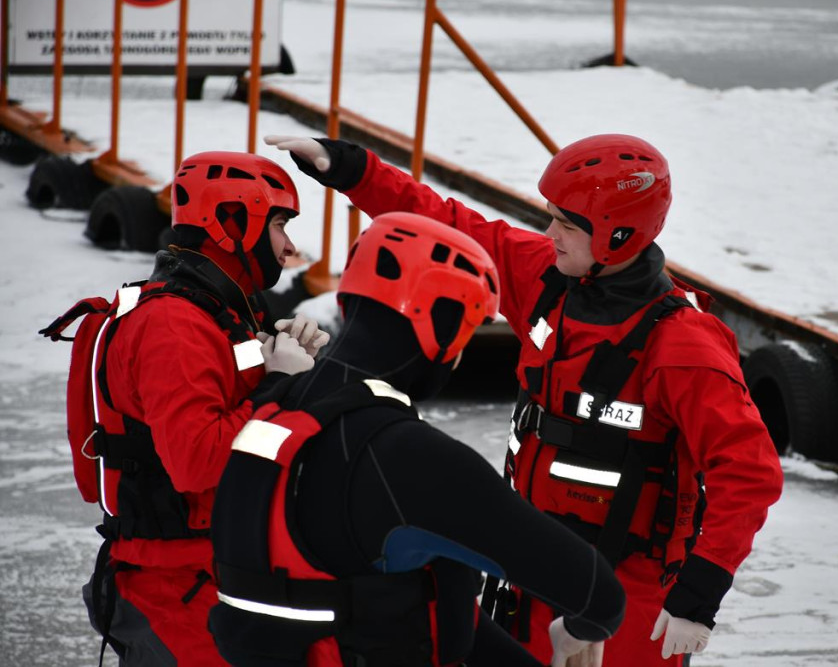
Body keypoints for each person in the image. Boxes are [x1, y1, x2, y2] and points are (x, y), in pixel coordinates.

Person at [265, 132, 785, 665]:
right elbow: (451, 228)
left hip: (629, 608)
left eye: (566, 224)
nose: (550, 233)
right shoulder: (548, 280)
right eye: (552, 216)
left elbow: (749, 473)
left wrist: (695, 599)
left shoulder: (681, 345)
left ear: (618, 235)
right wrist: (353, 171)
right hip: (530, 576)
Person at [207, 212, 626, 667]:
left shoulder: (273, 411)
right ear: (440, 328)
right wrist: (577, 630)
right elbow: (596, 596)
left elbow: (418, 600)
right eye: (465, 332)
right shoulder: (406, 456)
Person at [41, 151, 330, 665]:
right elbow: (195, 460)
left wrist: (274, 356)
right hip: (176, 588)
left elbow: (225, 392)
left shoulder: (217, 315)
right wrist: (278, 387)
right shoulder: (174, 325)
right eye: (280, 224)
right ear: (232, 225)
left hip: (214, 572)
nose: (289, 247)